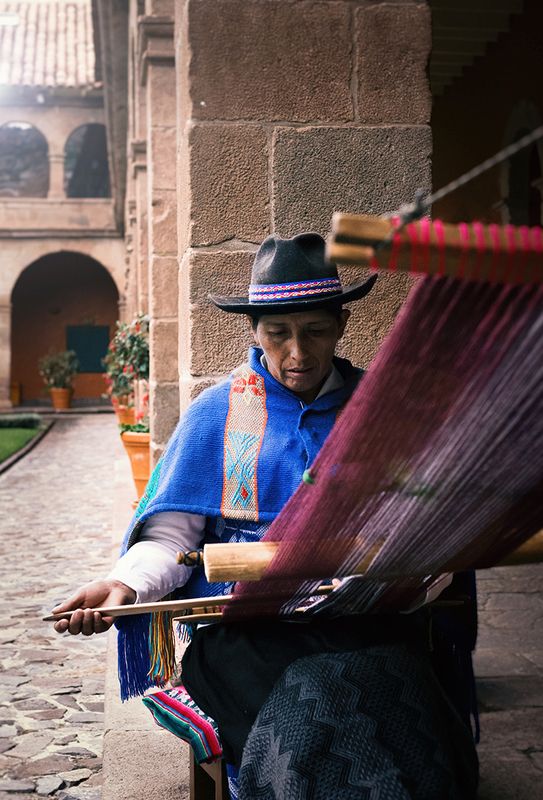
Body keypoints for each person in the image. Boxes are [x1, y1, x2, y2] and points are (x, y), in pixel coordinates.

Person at [53, 233, 478, 799]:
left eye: (315, 331)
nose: (298, 353)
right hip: (246, 637)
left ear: (342, 325)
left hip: (364, 629)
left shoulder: (382, 412)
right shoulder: (218, 415)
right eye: (278, 333)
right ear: (254, 330)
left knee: (375, 688)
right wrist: (124, 585)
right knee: (328, 702)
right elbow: (172, 541)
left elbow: (430, 524)